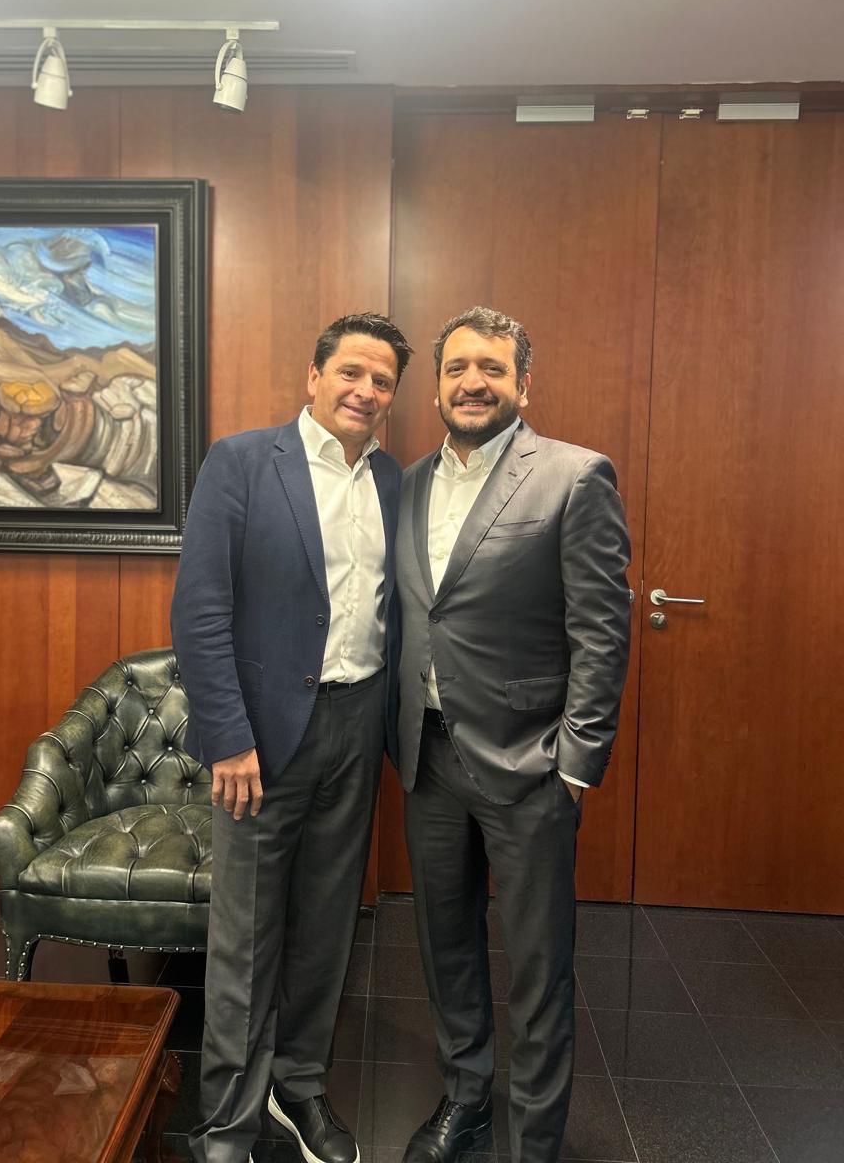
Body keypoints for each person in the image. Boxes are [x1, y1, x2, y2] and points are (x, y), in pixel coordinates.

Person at [172, 313, 413, 1163]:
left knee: (327, 924)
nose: (365, 392)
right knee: (245, 938)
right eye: (351, 372)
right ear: (313, 376)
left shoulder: (391, 480)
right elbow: (200, 610)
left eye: (382, 381)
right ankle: (227, 1122)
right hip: (262, 741)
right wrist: (228, 737)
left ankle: (298, 1086)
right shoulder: (242, 462)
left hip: (358, 724)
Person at [395, 307, 631, 1163]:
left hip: (532, 766)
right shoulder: (407, 484)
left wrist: (577, 764)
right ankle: (466, 1102)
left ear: (523, 385)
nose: (473, 383)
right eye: (457, 368)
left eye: (492, 369)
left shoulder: (573, 476)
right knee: (446, 948)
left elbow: (601, 629)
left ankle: (535, 1141)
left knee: (537, 971)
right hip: (426, 757)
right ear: (436, 387)